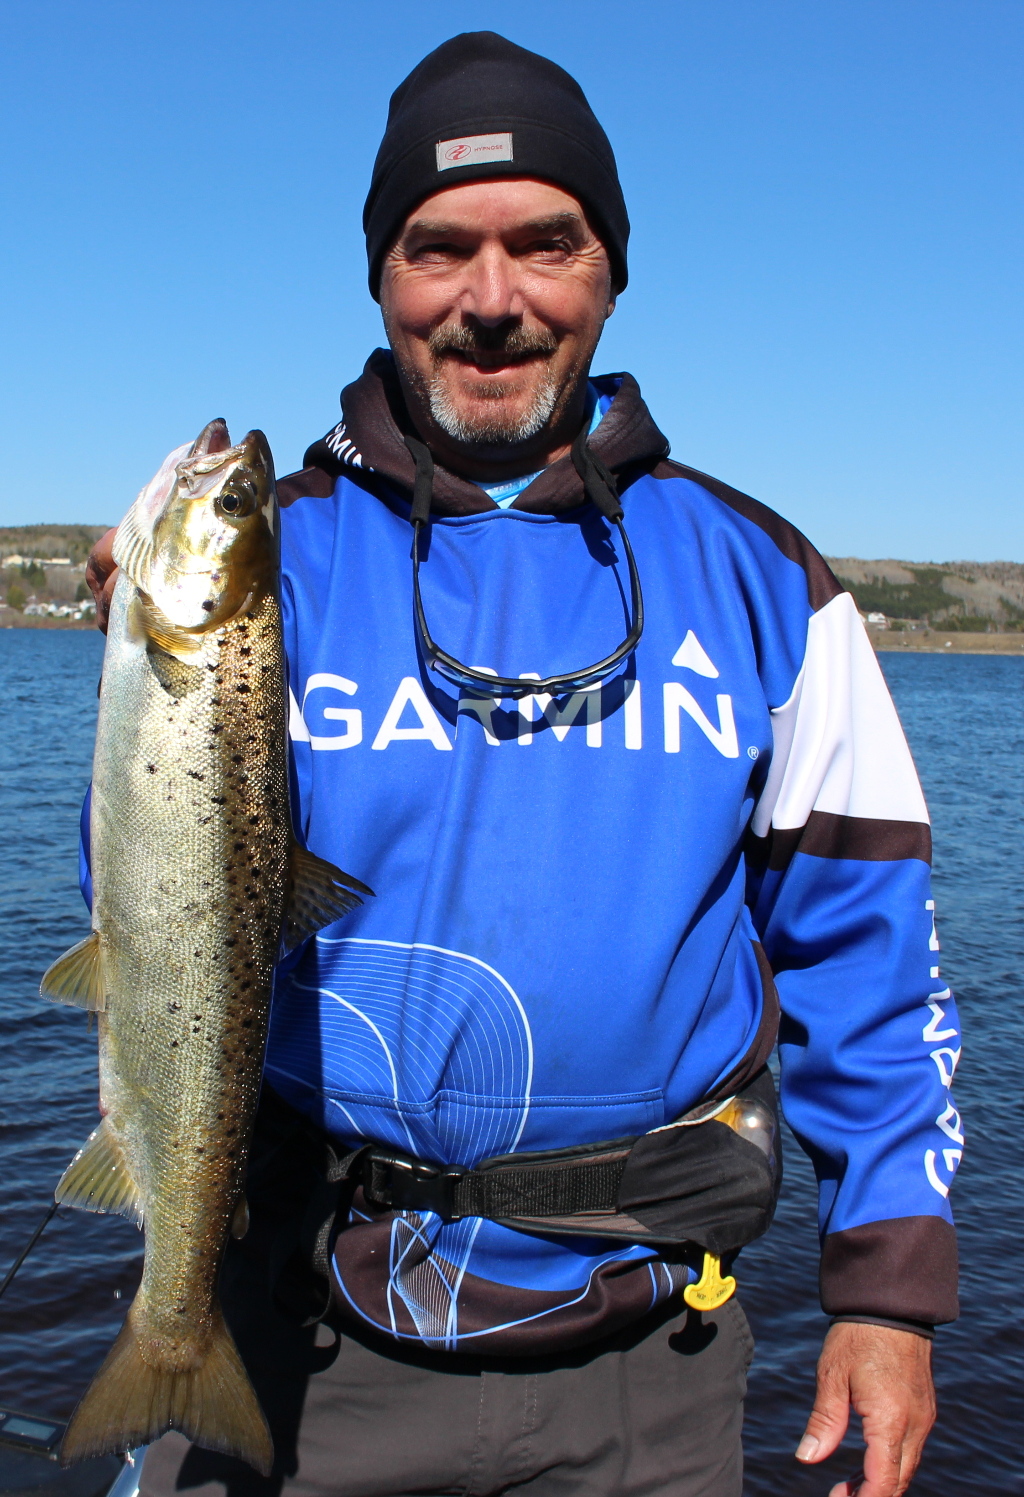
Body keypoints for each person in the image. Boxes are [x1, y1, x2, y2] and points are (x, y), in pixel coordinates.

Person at [87, 31, 961, 1497]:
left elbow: (871, 966)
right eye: (439, 249)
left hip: (650, 1380)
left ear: (610, 270)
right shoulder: (271, 567)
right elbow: (152, 920)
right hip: (294, 1327)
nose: (492, 301)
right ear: (381, 276)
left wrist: (883, 1289)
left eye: (545, 243)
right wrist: (143, 673)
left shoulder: (767, 584)